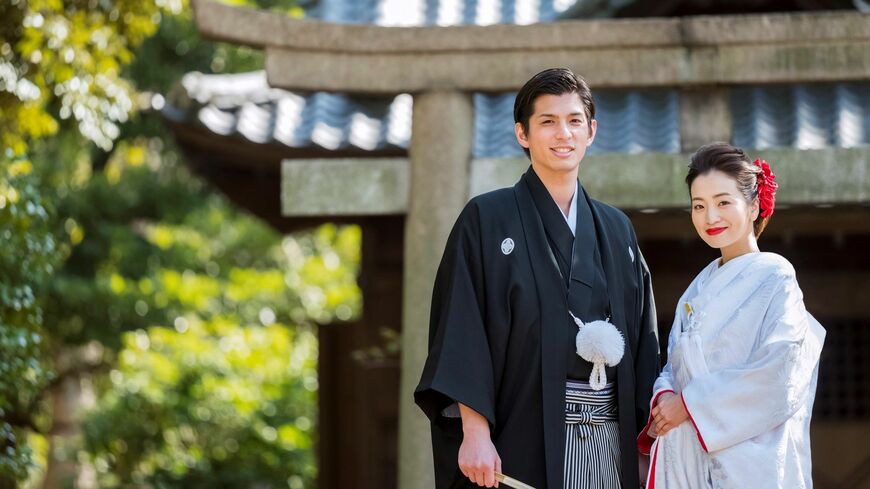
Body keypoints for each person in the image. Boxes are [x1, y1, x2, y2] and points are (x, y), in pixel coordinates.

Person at [415, 67, 660, 489]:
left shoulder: (617, 228)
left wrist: (643, 447)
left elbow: (643, 342)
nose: (563, 133)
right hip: (520, 437)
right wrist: (475, 432)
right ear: (522, 134)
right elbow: (462, 329)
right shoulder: (486, 219)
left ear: (591, 131)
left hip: (609, 439)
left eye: (574, 121)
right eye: (548, 122)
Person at [638, 143, 826, 488]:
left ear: (753, 206)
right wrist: (665, 396)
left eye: (723, 202)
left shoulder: (775, 276)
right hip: (692, 455)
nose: (710, 217)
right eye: (699, 206)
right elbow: (674, 367)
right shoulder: (696, 289)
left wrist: (690, 405)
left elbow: (781, 370)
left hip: (750, 462)